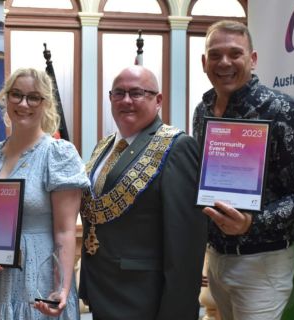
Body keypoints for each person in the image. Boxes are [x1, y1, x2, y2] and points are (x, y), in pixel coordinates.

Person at [193, 20, 294, 320]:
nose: (225, 63)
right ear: (204, 62)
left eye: (235, 53)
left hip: (262, 262)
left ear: (253, 59)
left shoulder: (282, 112)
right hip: (216, 258)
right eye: (216, 55)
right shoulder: (202, 111)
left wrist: (251, 223)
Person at [79, 65, 207, 319]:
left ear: (158, 100)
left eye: (137, 93)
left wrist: (176, 312)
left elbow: (185, 245)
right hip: (102, 289)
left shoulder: (177, 147)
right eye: (119, 93)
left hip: (143, 297)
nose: (126, 100)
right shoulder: (103, 147)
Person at [0, 67, 90, 319]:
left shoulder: (58, 154)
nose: (23, 103)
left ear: (45, 104)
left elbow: (65, 231)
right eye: (16, 95)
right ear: (5, 98)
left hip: (37, 277)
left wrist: (62, 288)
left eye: (34, 97)